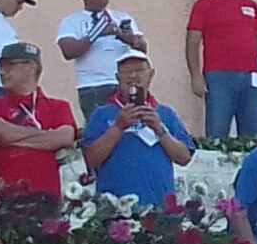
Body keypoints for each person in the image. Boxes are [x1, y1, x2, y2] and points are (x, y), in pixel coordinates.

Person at [81, 53, 196, 205]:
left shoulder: (165, 114)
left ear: (151, 75)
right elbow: (91, 160)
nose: (133, 76)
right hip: (113, 208)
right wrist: (117, 128)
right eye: (126, 71)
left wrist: (160, 129)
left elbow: (184, 158)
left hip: (159, 209)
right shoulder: (102, 114)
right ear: (117, 77)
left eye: (140, 70)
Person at [186, 0, 257, 140]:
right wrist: (195, 76)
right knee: (217, 131)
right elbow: (192, 41)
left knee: (252, 134)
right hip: (219, 75)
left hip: (252, 76)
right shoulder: (204, 5)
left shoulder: (251, 5)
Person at [0, 43, 78, 201]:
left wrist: (11, 138)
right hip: (4, 195)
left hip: (47, 195)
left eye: (9, 65)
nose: (2, 72)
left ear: (31, 67)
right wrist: (46, 136)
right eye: (0, 66)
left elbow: (64, 137)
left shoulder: (58, 106)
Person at [57, 0, 147, 118]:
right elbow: (68, 51)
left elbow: (142, 51)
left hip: (126, 83)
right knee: (100, 129)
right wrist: (97, 33)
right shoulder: (71, 21)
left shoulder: (122, 17)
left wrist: (129, 39)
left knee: (134, 124)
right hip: (92, 85)